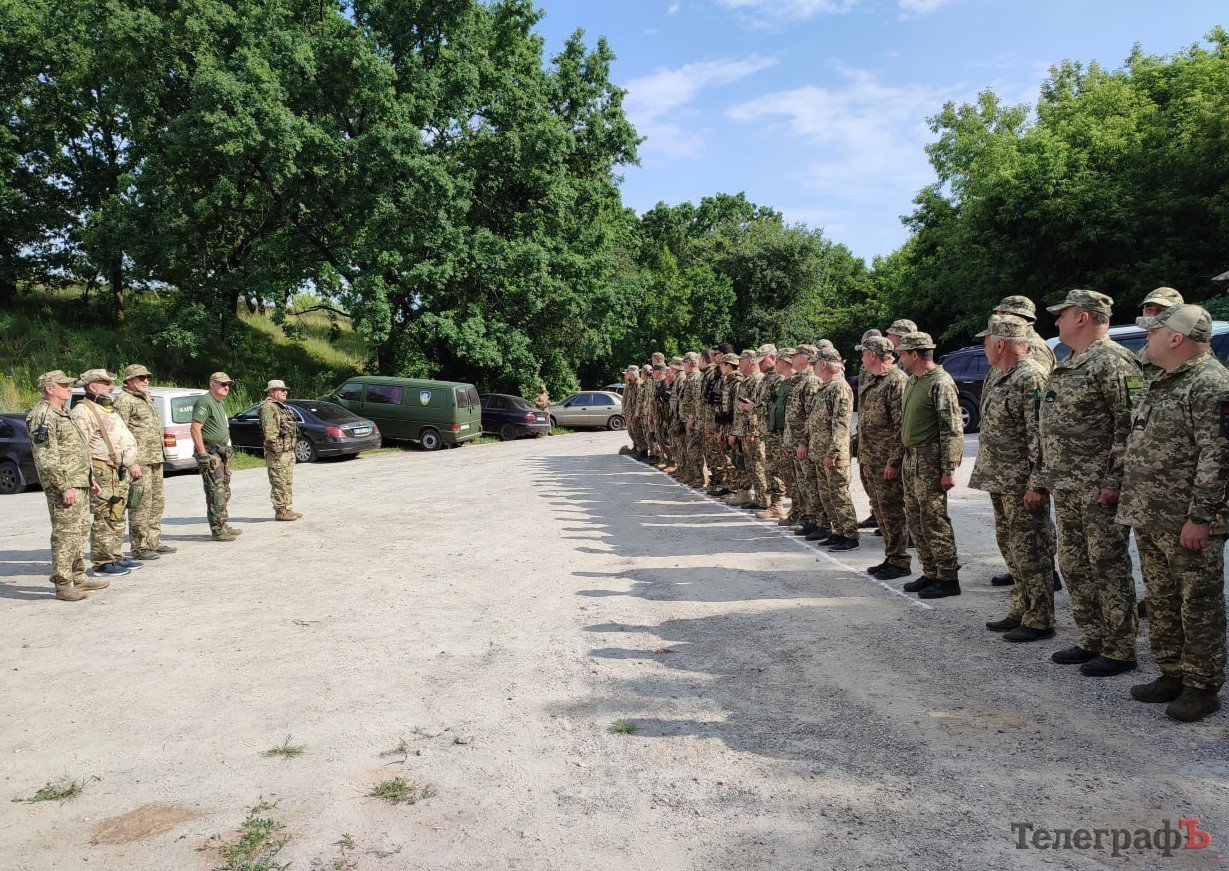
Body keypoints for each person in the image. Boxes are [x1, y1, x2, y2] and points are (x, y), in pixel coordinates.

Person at [1117, 304, 1229, 722]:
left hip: (1186, 519)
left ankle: (1201, 686)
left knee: (1197, 603)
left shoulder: (1210, 383)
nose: (1147, 338)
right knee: (1163, 600)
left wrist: (1201, 517)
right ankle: (1172, 671)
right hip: (1150, 513)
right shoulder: (1164, 380)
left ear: (1176, 338)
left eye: (1153, 332)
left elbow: (1216, 456)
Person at [1039, 289, 1142, 677]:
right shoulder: (1071, 360)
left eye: (1062, 314)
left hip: (1099, 485)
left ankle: (1119, 647)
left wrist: (1115, 478)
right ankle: (1092, 637)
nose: (1056, 321)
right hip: (1068, 484)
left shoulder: (1114, 361)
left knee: (1106, 563)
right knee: (1075, 563)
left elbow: (1129, 426)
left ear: (1083, 318)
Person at [970, 316, 1057, 642]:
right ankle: (1021, 606)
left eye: (986, 342)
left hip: (1021, 483)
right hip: (1000, 479)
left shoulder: (1030, 376)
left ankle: (1040, 617)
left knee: (1030, 551)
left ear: (1000, 343)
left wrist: (1037, 482)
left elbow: (1040, 434)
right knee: (1013, 548)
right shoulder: (1002, 374)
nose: (984, 348)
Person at [26, 371, 106, 601]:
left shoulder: (64, 412)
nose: (68, 388)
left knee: (80, 530)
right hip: (64, 484)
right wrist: (63, 487)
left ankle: (78, 575)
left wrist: (89, 478)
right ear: (49, 388)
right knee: (65, 534)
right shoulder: (42, 415)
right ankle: (63, 584)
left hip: (78, 481)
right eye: (63, 385)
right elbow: (47, 457)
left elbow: (77, 449)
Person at [896, 333, 964, 599]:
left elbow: (952, 429)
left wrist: (948, 469)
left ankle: (948, 577)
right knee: (915, 517)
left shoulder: (941, 383)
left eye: (902, 354)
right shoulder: (914, 381)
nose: (899, 358)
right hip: (911, 458)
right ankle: (930, 571)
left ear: (915, 354)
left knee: (934, 519)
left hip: (929, 460)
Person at [72, 369, 143, 576]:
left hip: (116, 471)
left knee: (117, 514)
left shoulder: (106, 408)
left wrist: (129, 462)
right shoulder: (83, 411)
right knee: (104, 515)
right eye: (105, 383)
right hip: (102, 471)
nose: (111, 386)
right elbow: (80, 447)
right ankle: (103, 561)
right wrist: (90, 476)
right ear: (92, 386)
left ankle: (115, 555)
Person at [856, 336, 910, 580]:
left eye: (864, 353)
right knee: (881, 511)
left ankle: (899, 561)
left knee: (893, 512)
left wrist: (894, 461)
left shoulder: (896, 382)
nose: (861, 358)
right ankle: (891, 556)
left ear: (873, 355)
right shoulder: (875, 380)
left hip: (886, 461)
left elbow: (901, 427)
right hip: (871, 458)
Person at [113, 364, 175, 560]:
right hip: (139, 461)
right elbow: (118, 433)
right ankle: (140, 546)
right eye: (141, 378)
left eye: (147, 377)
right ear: (129, 380)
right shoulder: (123, 400)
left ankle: (153, 540)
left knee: (157, 502)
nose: (146, 381)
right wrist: (129, 462)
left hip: (155, 458)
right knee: (141, 504)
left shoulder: (146, 398)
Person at [808, 347, 858, 550]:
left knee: (838, 494)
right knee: (827, 494)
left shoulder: (839, 387)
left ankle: (850, 535)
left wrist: (834, 451)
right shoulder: (825, 387)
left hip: (833, 453)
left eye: (815, 363)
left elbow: (841, 422)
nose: (813, 367)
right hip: (821, 451)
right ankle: (838, 531)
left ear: (823, 364)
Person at [192, 372, 241, 542]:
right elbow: (195, 428)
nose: (226, 387)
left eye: (228, 384)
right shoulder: (205, 402)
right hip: (210, 453)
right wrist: (203, 454)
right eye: (222, 384)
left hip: (221, 453)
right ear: (212, 384)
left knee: (224, 490)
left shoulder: (219, 403)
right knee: (216, 491)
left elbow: (223, 429)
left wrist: (228, 448)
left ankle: (222, 523)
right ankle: (217, 529)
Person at [784, 345, 821, 535]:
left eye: (796, 356)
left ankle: (814, 520)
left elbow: (809, 416)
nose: (792, 360)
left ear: (806, 358)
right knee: (802, 483)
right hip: (795, 441)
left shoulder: (811, 381)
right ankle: (808, 517)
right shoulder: (798, 380)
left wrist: (803, 442)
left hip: (803, 443)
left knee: (810, 483)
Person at [260, 379, 302, 521]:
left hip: (287, 452)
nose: (285, 392)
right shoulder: (269, 407)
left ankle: (287, 508)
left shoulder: (282, 407)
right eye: (281, 389)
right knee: (279, 482)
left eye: (285, 389)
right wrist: (276, 453)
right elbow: (270, 434)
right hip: (277, 453)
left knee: (287, 482)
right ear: (272, 392)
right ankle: (280, 511)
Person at [1135, 287, 1184, 379]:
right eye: (1149, 310)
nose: (1153, 316)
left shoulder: (1191, 353)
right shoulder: (1139, 358)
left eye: (1162, 310)